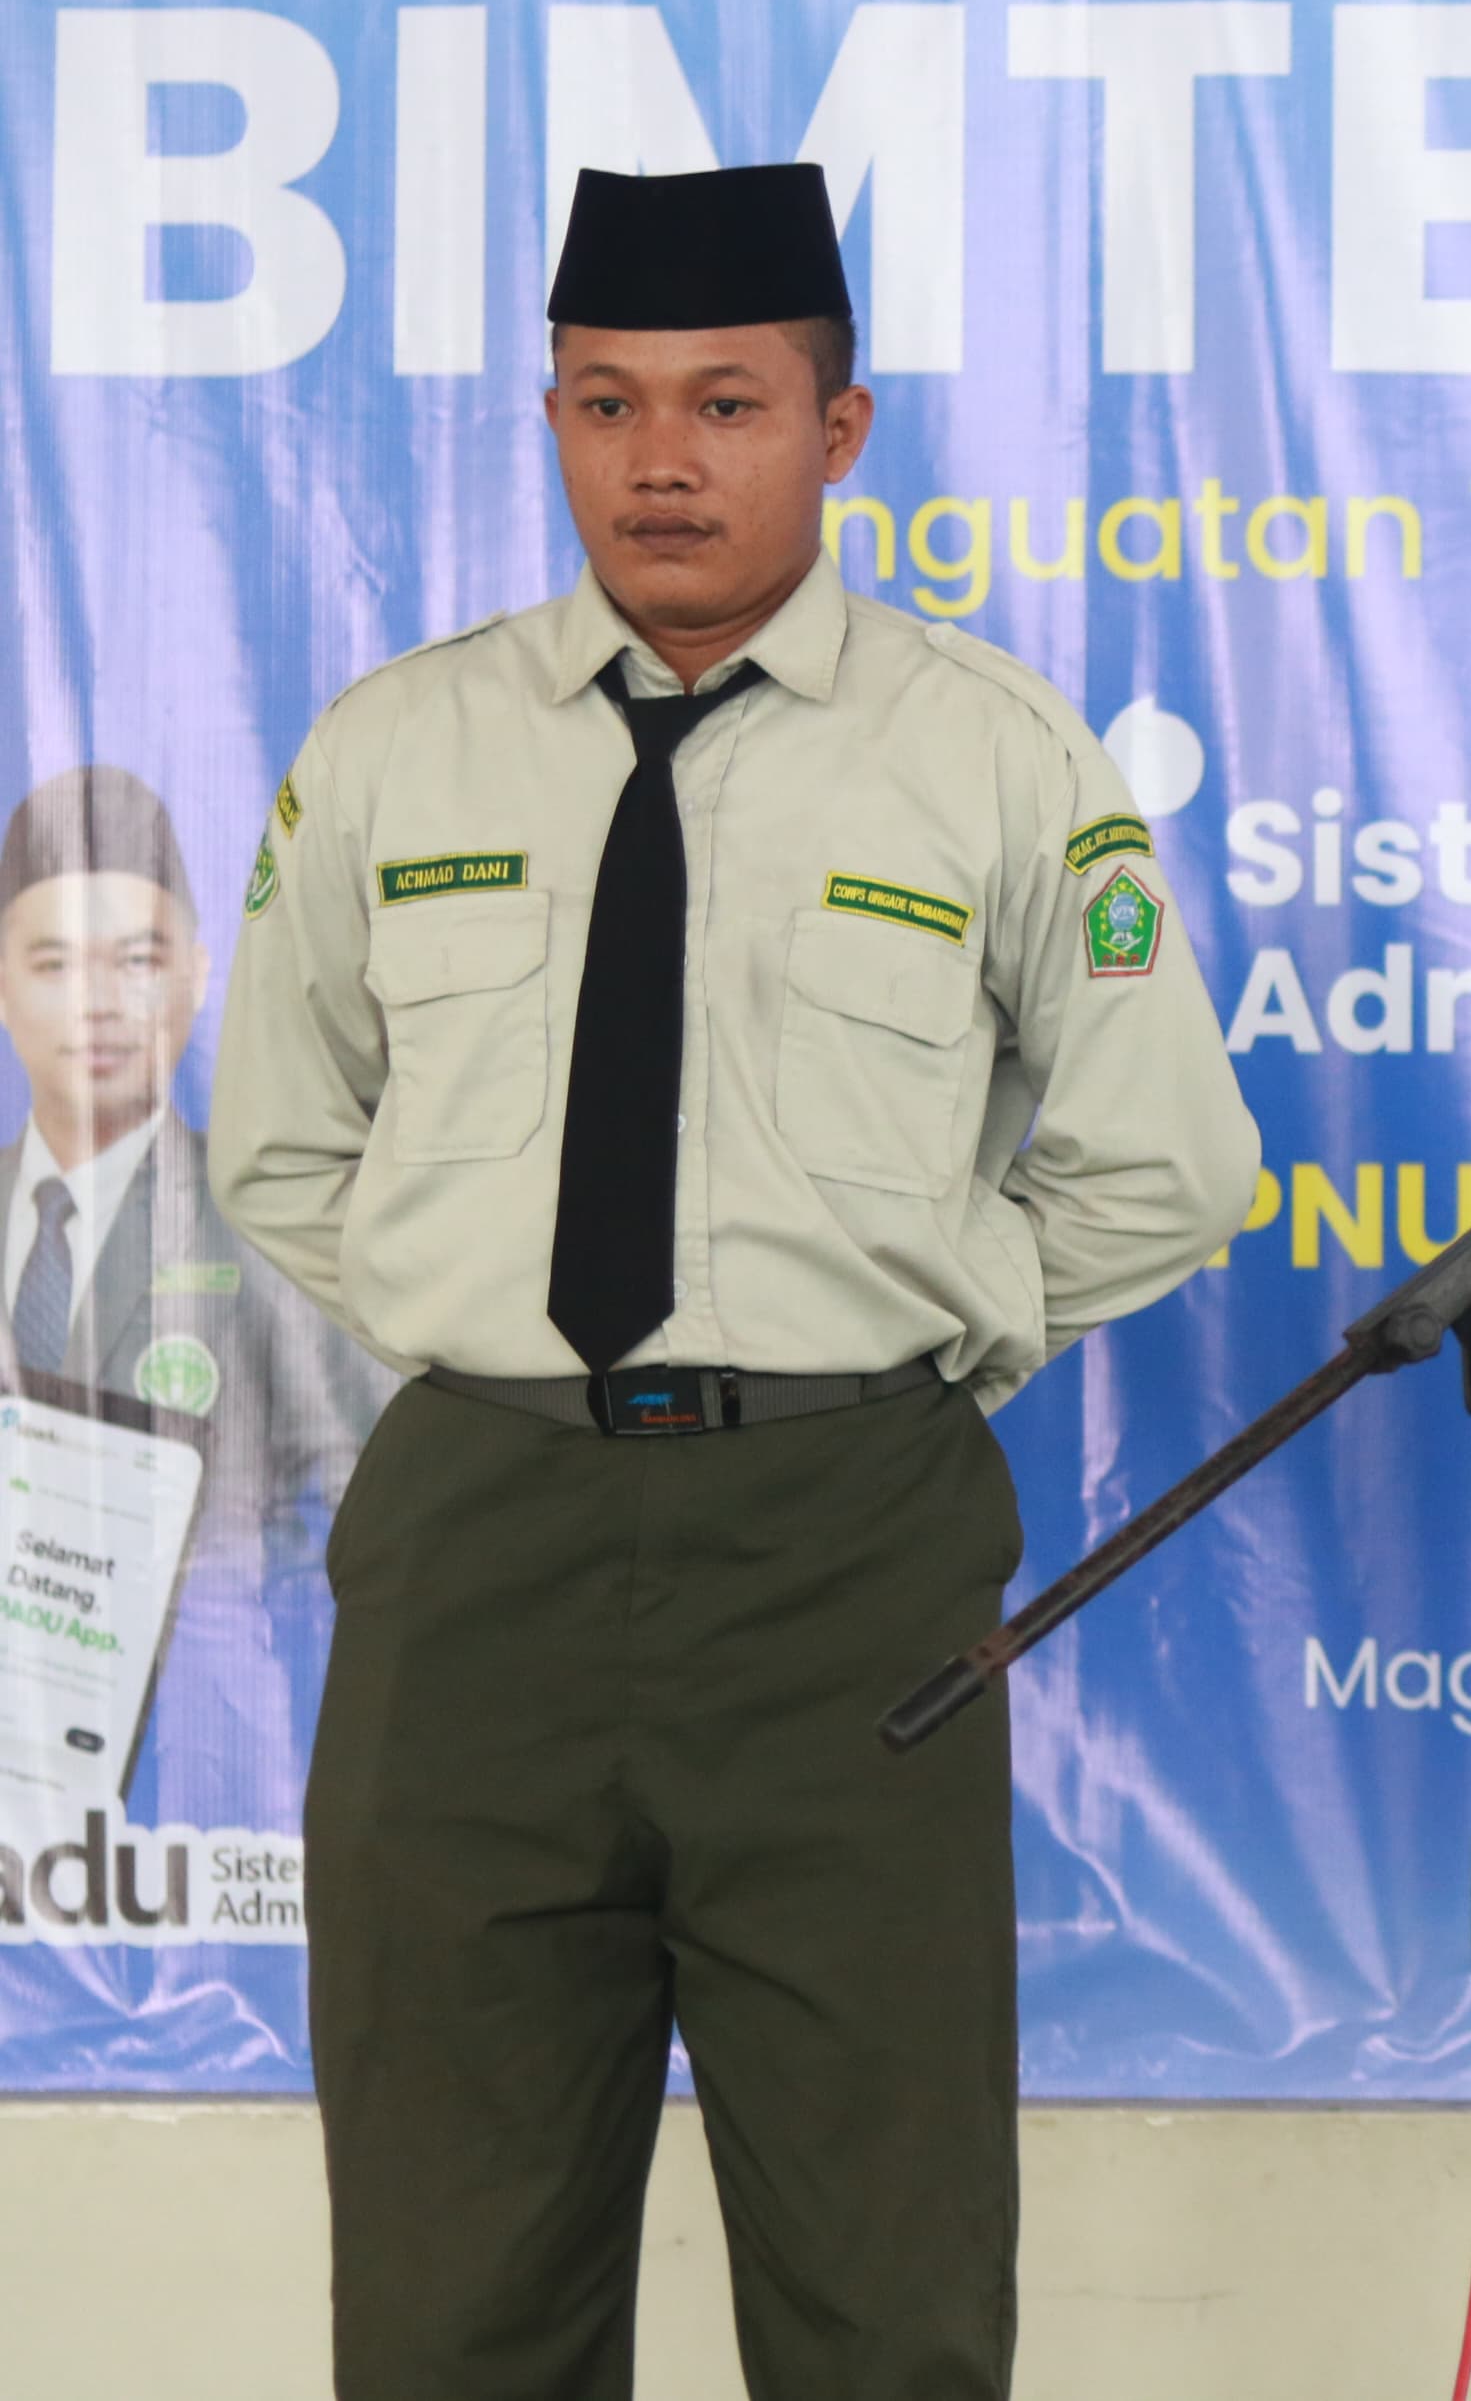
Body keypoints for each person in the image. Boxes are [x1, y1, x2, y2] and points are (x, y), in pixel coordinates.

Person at [211, 163, 1262, 2401]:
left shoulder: (987, 750)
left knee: (886, 2302)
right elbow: (283, 1147)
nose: (660, 459)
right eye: (605, 404)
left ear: (839, 427)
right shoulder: (398, 746)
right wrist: (477, 1312)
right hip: (477, 1549)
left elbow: (1169, 1166)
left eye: (723, 402)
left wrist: (921, 1327)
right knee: (448, 2303)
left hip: (843, 1552)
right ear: (552, 424)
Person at [0, 763, 385, 1824]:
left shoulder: (273, 1214)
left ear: (199, 972)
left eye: (137, 959)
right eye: (53, 962)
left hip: (218, 1793)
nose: (98, 1004)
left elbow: (369, 1507)